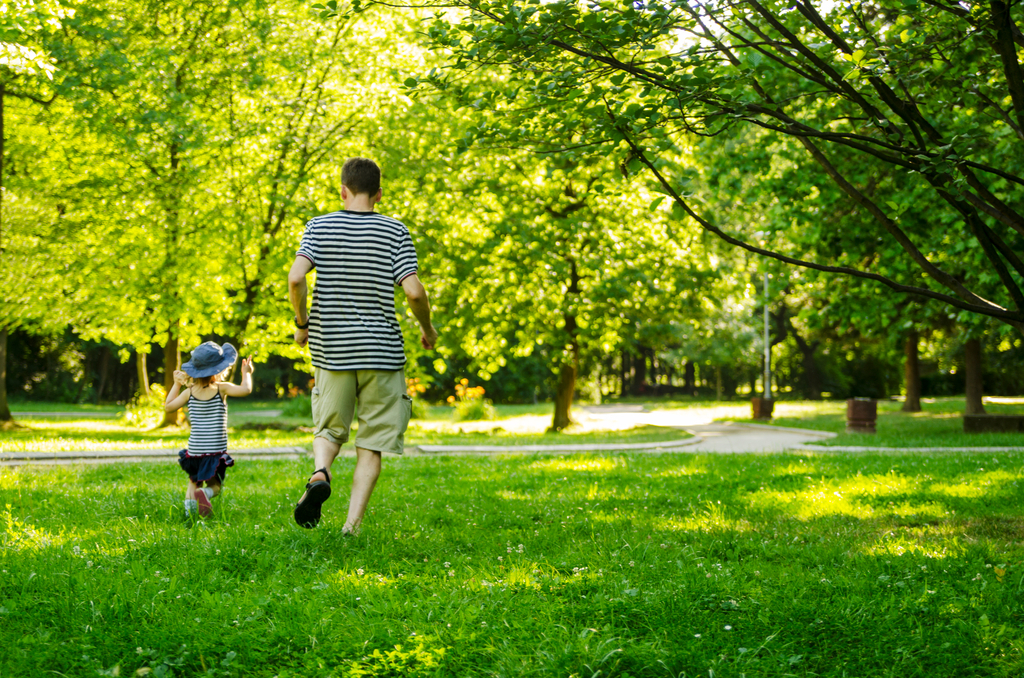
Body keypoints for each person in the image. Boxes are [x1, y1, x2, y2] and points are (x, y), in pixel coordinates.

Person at [288, 157, 437, 532]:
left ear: (343, 190)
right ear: (379, 195)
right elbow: (415, 291)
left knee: (327, 431)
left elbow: (295, 279)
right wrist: (428, 329)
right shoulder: (395, 231)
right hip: (382, 354)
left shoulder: (319, 227)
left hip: (332, 350)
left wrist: (302, 324)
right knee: (370, 443)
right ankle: (350, 528)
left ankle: (320, 472)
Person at [164, 341, 254, 518]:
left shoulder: (189, 392)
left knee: (193, 482)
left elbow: (168, 407)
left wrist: (176, 384)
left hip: (195, 450)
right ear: (219, 370)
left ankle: (190, 516)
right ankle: (206, 494)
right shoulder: (221, 389)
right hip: (214, 450)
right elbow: (246, 389)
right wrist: (246, 373)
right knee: (216, 485)